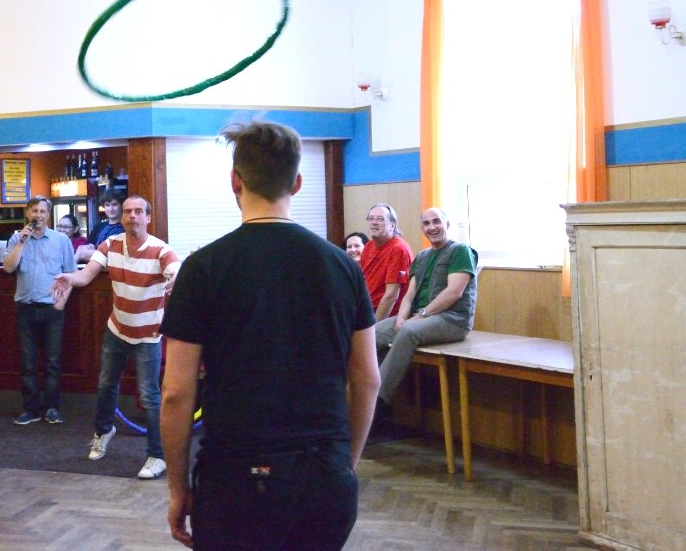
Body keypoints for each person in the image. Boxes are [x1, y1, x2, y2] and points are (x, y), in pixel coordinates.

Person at [159, 120, 380, 550]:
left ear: (234, 181)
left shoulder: (202, 269)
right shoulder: (344, 267)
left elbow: (176, 393)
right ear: (296, 183)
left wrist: (177, 488)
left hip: (235, 476)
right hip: (324, 470)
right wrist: (344, 463)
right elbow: (368, 380)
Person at [52, 195, 179, 479]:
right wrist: (69, 278)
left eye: (138, 211)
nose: (132, 215)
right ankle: (103, 431)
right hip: (117, 329)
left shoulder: (160, 250)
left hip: (148, 335)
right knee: (106, 384)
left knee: (150, 396)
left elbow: (175, 269)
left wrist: (176, 278)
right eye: (128, 211)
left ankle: (157, 456)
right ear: (121, 218)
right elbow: (85, 276)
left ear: (148, 218)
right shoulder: (110, 244)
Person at [374, 207, 478, 416]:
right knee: (373, 333)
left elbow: (454, 292)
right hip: (418, 318)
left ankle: (378, 401)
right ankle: (358, 392)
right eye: (427, 223)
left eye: (437, 221)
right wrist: (401, 318)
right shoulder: (421, 256)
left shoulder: (460, 251)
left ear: (447, 224)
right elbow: (409, 295)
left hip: (452, 320)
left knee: (408, 332)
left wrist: (418, 317)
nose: (432, 227)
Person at [3, 196, 75, 426]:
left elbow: (71, 275)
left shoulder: (61, 240)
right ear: (27, 213)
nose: (39, 215)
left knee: (53, 361)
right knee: (28, 362)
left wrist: (61, 303)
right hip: (26, 308)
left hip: (52, 309)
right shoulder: (17, 238)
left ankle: (52, 408)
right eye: (35, 211)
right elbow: (8, 268)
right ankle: (30, 409)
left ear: (48, 215)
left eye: (43, 211)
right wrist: (21, 242)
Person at [360, 203, 414, 320]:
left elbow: (391, 296)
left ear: (392, 225)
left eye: (380, 219)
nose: (374, 222)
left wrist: (373, 326)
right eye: (371, 218)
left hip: (389, 314)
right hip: (367, 308)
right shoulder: (369, 246)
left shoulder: (398, 249)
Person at [74, 191, 124, 263]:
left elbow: (114, 255)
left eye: (114, 204)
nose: (111, 209)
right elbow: (83, 248)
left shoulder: (125, 228)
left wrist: (90, 252)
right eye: (107, 205)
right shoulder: (99, 227)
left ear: (121, 206)